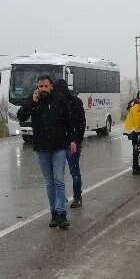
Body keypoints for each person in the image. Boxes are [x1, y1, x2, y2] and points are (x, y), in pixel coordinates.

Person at [17, 75, 77, 229]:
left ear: (51, 86)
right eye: (40, 86)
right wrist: (32, 102)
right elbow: (21, 116)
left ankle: (61, 213)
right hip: (42, 148)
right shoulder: (34, 101)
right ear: (37, 87)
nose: (43, 89)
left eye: (45, 86)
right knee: (50, 182)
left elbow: (69, 121)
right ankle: (53, 214)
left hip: (58, 147)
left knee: (59, 180)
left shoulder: (59, 101)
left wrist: (72, 140)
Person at [53, 79, 86, 208]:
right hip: (60, 142)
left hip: (72, 143)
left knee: (74, 171)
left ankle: (77, 197)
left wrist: (76, 141)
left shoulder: (75, 102)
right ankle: (63, 198)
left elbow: (80, 124)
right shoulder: (56, 102)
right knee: (59, 173)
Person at [123, 92, 140, 174]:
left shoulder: (134, 105)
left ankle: (136, 166)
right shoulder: (137, 107)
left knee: (136, 149)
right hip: (135, 131)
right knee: (136, 150)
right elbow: (137, 121)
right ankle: (136, 168)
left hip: (132, 130)